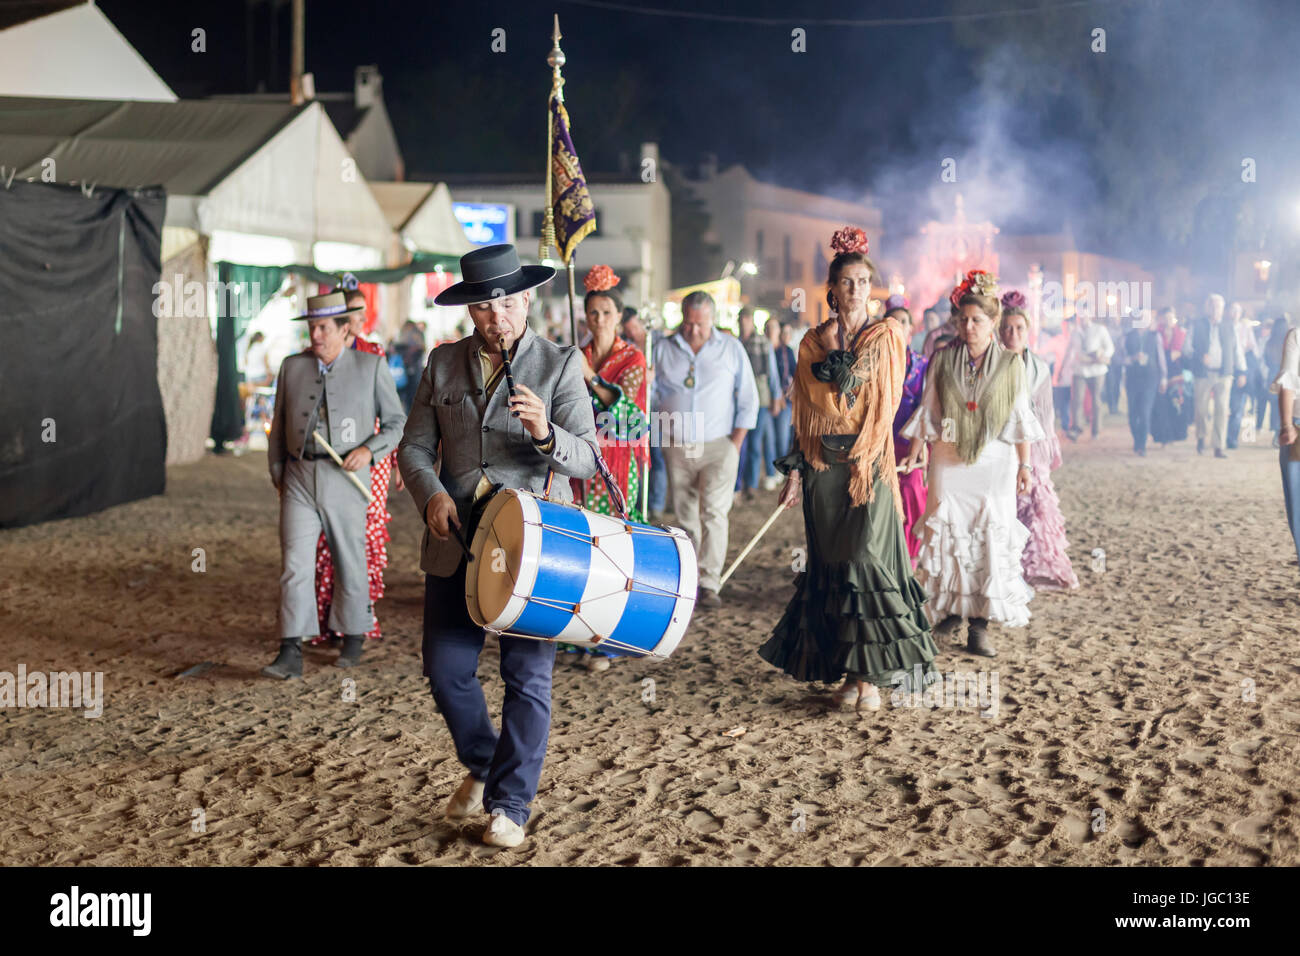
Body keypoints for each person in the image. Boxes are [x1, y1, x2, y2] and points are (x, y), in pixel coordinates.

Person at [397, 243, 598, 849]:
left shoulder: (562, 364)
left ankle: (510, 804)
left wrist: (545, 431)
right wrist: (430, 493)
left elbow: (587, 456)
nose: (498, 317)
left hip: (533, 547)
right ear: (470, 310)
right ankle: (485, 764)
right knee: (446, 670)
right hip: (456, 540)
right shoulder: (441, 364)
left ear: (528, 299)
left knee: (527, 676)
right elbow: (411, 449)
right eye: (485, 307)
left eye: (508, 302)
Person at [758, 226, 936, 710]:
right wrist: (795, 471)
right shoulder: (812, 343)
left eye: (862, 281)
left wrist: (851, 378)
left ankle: (872, 677)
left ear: (869, 288)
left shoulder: (888, 336)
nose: (854, 289)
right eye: (846, 282)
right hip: (823, 469)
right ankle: (849, 677)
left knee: (866, 562)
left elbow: (890, 396)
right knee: (834, 569)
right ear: (832, 290)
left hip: (869, 463)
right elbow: (807, 414)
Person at [263, 292, 407, 678]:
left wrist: (369, 451)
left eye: (324, 327)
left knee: (350, 558)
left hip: (345, 478)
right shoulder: (292, 367)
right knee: (294, 564)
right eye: (312, 327)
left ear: (346, 331)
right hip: (298, 477)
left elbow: (397, 424)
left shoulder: (372, 366)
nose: (316, 335)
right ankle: (290, 647)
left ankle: (355, 633)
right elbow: (278, 425)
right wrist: (279, 470)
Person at [900, 270, 1042, 657]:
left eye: (977, 320)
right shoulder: (942, 360)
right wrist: (916, 449)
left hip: (996, 462)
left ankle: (980, 625)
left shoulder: (1012, 366)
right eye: (962, 319)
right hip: (948, 457)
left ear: (993, 322)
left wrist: (1025, 466)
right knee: (949, 533)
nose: (968, 326)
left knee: (987, 538)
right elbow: (928, 408)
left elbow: (1020, 418)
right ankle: (950, 610)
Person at [565, 265, 649, 671]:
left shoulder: (633, 358)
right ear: (585, 316)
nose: (599, 320)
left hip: (615, 461)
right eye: (593, 313)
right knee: (579, 543)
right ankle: (577, 633)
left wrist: (590, 377)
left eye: (606, 313)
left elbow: (629, 414)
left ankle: (607, 640)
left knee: (611, 545)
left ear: (619, 316)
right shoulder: (573, 356)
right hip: (577, 459)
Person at [310, 286, 404, 648]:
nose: (355, 320)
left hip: (370, 463)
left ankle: (359, 621)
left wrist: (390, 459)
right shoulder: (315, 358)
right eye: (348, 312)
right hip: (326, 462)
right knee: (324, 539)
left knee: (364, 537)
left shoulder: (372, 354)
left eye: (359, 313)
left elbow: (390, 417)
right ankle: (325, 618)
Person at [653, 291, 758, 608]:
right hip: (677, 444)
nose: (693, 330)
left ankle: (710, 581)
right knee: (685, 515)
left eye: (699, 324)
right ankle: (690, 580)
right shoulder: (662, 349)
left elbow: (748, 398)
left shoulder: (730, 348)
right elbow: (651, 395)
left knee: (713, 511)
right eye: (688, 322)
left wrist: (734, 445)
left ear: (712, 319)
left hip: (718, 444)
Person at [1001, 291, 1079, 591]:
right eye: (1007, 328)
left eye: (1019, 328)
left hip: (1033, 444)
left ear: (1028, 330)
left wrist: (1043, 451)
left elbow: (1046, 414)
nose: (1013, 334)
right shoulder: (992, 363)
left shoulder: (1039, 367)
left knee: (1035, 505)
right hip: (1002, 442)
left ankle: (1037, 566)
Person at [889, 308, 929, 568]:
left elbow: (928, 407)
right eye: (893, 322)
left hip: (911, 438)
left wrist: (920, 444)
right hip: (883, 438)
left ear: (911, 329)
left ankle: (912, 552)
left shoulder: (922, 365)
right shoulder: (877, 363)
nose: (899, 326)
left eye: (904, 322)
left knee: (912, 490)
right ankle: (891, 552)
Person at [1187, 293, 1246, 458]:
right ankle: (1201, 437)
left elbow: (1237, 350)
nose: (1215, 309)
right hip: (1203, 374)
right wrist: (1200, 356)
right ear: (1207, 308)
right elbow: (1187, 349)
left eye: (1218, 306)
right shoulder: (1197, 325)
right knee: (1201, 410)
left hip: (1224, 374)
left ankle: (1219, 446)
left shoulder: (1229, 326)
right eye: (1212, 306)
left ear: (1222, 309)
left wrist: (1242, 371)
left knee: (1222, 409)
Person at [739, 307, 783, 498]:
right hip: (740, 400)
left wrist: (776, 397)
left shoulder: (761, 342)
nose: (743, 322)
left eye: (746, 319)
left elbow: (772, 372)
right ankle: (738, 486)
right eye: (741, 319)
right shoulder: (736, 342)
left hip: (761, 399)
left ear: (750, 320)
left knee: (756, 444)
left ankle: (750, 484)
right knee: (741, 445)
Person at [1270, 323, 1300, 568]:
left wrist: (1286, 425)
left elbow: (1287, 382)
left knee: (1298, 505)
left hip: (1298, 428)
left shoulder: (1297, 335)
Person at [1122, 309, 1168, 457]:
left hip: (1150, 378)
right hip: (1133, 378)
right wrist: (1133, 358)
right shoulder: (1127, 337)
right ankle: (1137, 440)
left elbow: (1161, 358)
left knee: (1145, 412)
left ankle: (1142, 444)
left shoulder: (1155, 336)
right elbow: (1120, 359)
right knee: (1133, 414)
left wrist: (1163, 377)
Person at [1064, 307, 1114, 441]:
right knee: (1077, 400)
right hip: (1080, 369)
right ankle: (1076, 428)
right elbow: (1069, 351)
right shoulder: (1075, 332)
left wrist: (1102, 355)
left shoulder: (1099, 330)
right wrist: (1063, 368)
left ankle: (1096, 430)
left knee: (1096, 400)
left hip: (1097, 369)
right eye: (1080, 317)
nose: (1083, 319)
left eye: (1085, 316)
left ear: (1090, 316)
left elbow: (1110, 347)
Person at [1151, 307, 1190, 446]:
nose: (1168, 321)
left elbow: (1186, 353)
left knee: (1176, 403)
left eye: (1171, 318)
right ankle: (1164, 436)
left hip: (1176, 374)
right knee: (1162, 405)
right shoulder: (1157, 334)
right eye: (1166, 318)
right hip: (1161, 373)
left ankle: (1176, 434)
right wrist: (1170, 355)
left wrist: (1178, 354)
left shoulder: (1181, 333)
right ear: (1162, 319)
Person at [1226, 303, 1261, 449]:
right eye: (1232, 310)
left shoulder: (1246, 329)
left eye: (1238, 311)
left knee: (1237, 408)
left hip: (1241, 371)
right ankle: (1223, 437)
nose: (1235, 313)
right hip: (1225, 370)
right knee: (1225, 407)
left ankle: (1231, 439)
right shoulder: (1223, 327)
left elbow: (1255, 351)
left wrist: (1244, 372)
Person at [773, 320, 797, 457]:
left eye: (789, 332)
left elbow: (795, 373)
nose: (787, 335)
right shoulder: (776, 351)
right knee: (782, 436)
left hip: (791, 398)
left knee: (790, 435)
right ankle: (781, 468)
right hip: (781, 398)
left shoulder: (788, 350)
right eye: (785, 332)